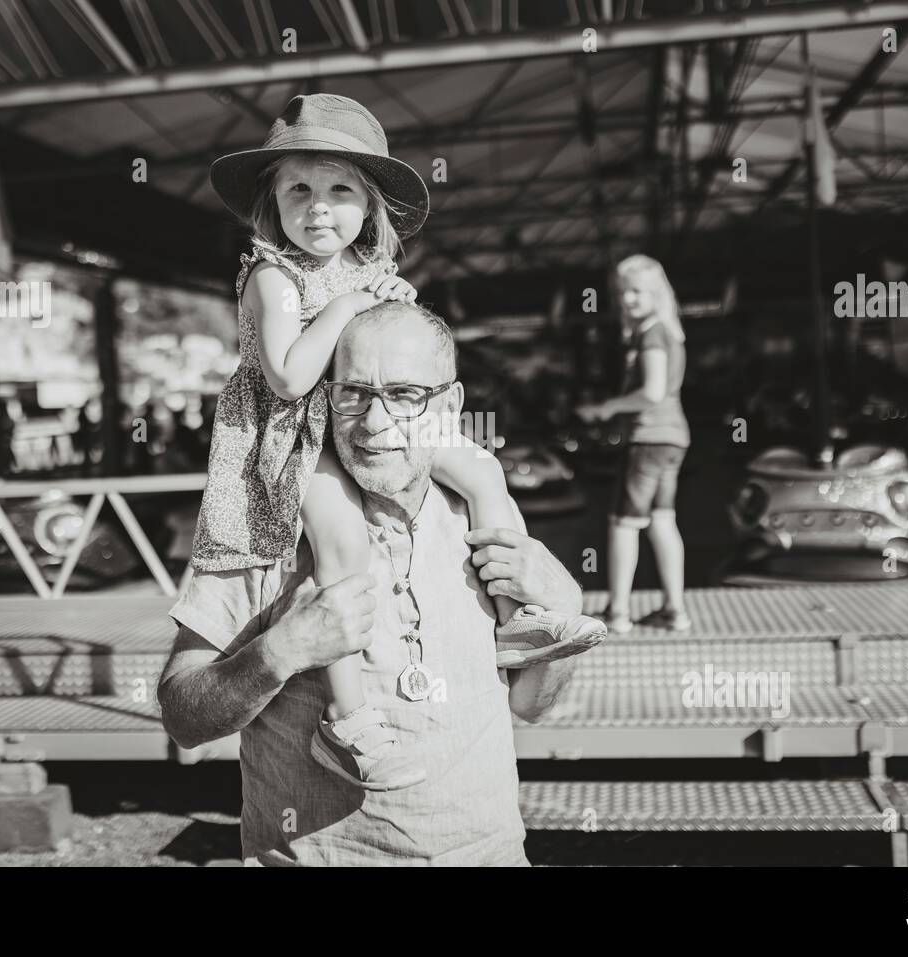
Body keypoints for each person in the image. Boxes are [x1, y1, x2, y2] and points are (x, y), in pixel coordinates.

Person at [190, 93, 605, 792]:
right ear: (273, 201)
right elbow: (288, 378)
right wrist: (351, 307)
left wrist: (387, 309)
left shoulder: (364, 271)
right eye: (298, 190)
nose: (318, 208)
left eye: (339, 191)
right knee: (342, 543)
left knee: (483, 470)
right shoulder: (273, 276)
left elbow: (394, 349)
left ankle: (520, 620)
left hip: (363, 415)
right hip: (297, 435)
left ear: (368, 205)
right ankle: (349, 722)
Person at [160, 301, 593, 865]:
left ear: (451, 405)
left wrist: (564, 604)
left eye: (406, 394)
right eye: (354, 393)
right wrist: (279, 653)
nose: (373, 422)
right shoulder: (264, 529)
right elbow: (183, 718)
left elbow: (531, 705)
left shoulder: (485, 516)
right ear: (326, 398)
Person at [577, 255, 691, 633]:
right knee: (661, 520)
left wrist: (608, 407)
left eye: (637, 292)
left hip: (649, 437)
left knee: (623, 523)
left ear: (656, 293)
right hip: (673, 438)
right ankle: (675, 610)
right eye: (624, 292)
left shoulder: (651, 333)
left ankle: (619, 613)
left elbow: (653, 392)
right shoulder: (670, 331)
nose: (627, 299)